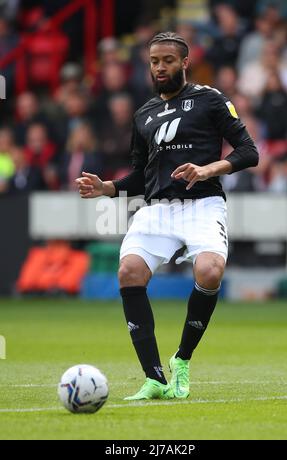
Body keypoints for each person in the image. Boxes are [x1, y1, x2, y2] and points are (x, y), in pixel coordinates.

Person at [76, 32, 259, 401]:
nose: (160, 67)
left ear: (184, 63)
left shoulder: (210, 100)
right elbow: (142, 177)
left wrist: (208, 170)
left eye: (168, 61)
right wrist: (107, 187)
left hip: (204, 203)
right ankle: (155, 377)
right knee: (128, 271)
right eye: (155, 61)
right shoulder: (143, 114)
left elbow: (249, 151)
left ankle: (183, 359)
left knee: (209, 271)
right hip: (158, 210)